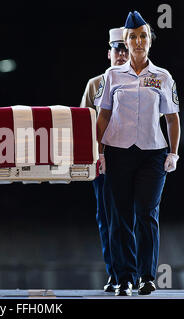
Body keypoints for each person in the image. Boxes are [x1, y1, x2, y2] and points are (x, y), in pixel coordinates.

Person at [95, 11, 181, 296]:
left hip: (152, 154)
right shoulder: (112, 75)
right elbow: (103, 115)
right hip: (119, 152)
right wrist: (100, 151)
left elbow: (172, 118)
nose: (139, 41)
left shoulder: (162, 77)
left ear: (150, 41)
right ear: (125, 41)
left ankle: (146, 275)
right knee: (119, 216)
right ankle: (124, 277)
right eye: (133, 37)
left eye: (143, 36)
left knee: (146, 212)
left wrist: (174, 153)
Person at [80, 27, 128, 292]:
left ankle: (130, 273)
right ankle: (114, 271)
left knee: (128, 216)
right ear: (108, 53)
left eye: (125, 49)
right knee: (106, 218)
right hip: (104, 158)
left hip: (131, 157)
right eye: (116, 49)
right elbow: (84, 124)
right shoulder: (95, 84)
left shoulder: (138, 81)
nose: (121, 54)